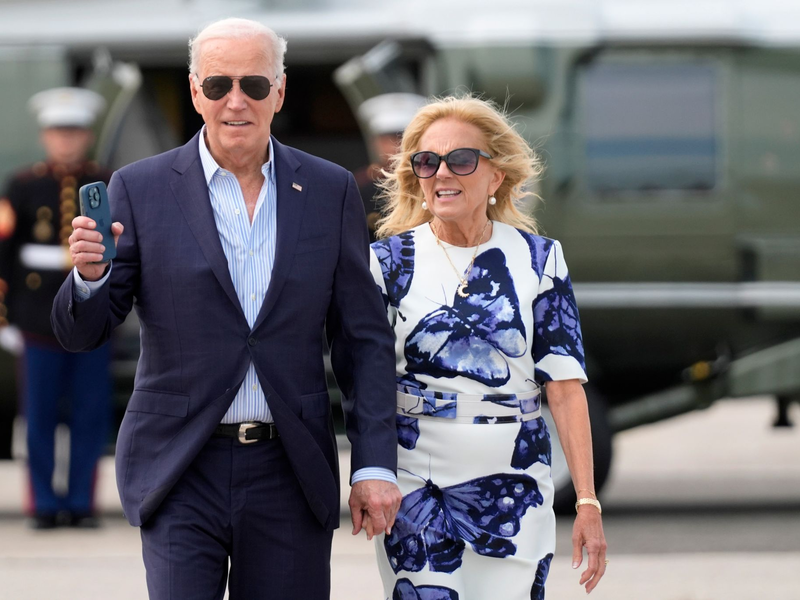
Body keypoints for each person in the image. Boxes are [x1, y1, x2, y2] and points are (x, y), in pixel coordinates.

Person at [50, 17, 401, 600]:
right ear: (195, 91)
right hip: (179, 468)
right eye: (218, 86)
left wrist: (373, 465)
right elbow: (83, 332)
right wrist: (90, 278)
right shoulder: (138, 188)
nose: (235, 101)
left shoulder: (330, 188)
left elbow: (364, 340)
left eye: (254, 85)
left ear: (280, 92)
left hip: (291, 471)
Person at [369, 96, 608, 599]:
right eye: (427, 161)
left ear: (496, 176)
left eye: (461, 159)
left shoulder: (539, 257)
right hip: (414, 482)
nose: (441, 173)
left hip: (514, 485)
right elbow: (364, 381)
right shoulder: (387, 261)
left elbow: (564, 388)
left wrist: (587, 499)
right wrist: (368, 476)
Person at [0, 87, 112, 529]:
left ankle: (81, 502)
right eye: (58, 132)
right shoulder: (22, 185)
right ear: (46, 137)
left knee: (90, 414)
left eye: (74, 132)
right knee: (40, 415)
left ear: (86, 136)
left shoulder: (105, 180)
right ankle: (45, 503)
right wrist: (4, 316)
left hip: (90, 315)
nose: (66, 141)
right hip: (35, 316)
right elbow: (5, 252)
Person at [354, 93, 426, 242]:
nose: (395, 145)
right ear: (376, 142)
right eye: (387, 139)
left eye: (401, 138)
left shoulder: (431, 177)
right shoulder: (360, 183)